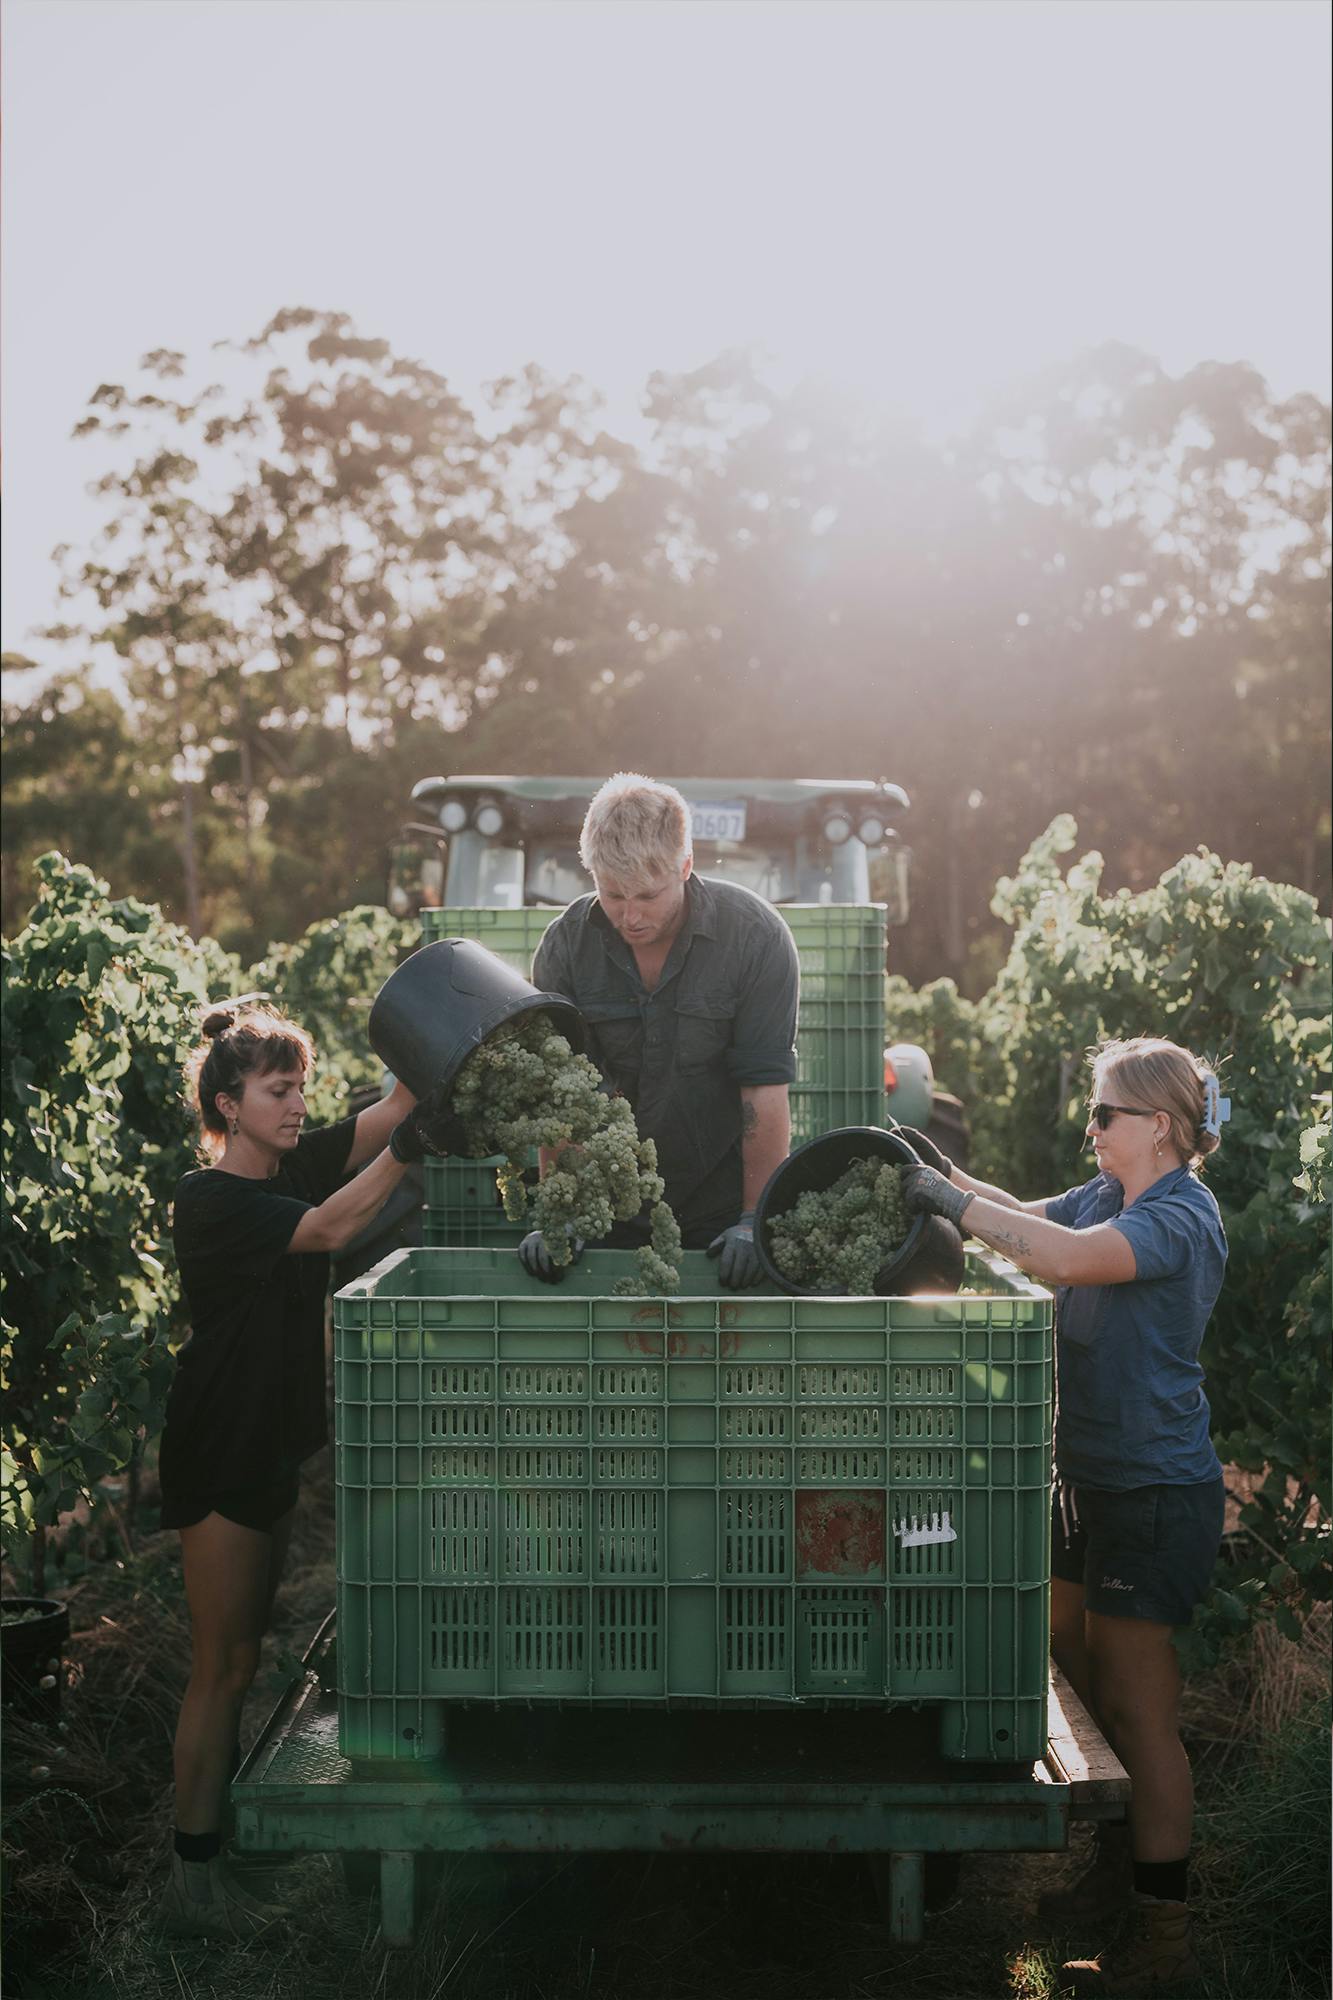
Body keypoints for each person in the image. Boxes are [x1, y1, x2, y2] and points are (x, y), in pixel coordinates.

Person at [902, 1037, 1229, 1995]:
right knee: (1077, 1665)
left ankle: (1163, 1927)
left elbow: (1062, 1261)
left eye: (1103, 1116)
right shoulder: (1109, 1195)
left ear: (1158, 1127)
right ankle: (1114, 1871)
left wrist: (949, 1205)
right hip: (1089, 1476)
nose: (1088, 1128)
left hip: (1153, 1490)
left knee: (1137, 1703)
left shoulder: (1178, 1217)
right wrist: (934, 1168)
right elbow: (1021, 1218)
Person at [158, 1002, 458, 1939]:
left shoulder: (290, 1162)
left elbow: (394, 1106)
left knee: (247, 1658)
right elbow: (333, 1227)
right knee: (222, 1666)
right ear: (226, 1103)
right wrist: (411, 1145)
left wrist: (439, 1034)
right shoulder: (210, 1203)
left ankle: (225, 1847)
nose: (297, 1105)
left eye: (300, 1088)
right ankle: (189, 1882)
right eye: (277, 1091)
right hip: (220, 1445)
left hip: (269, 1443)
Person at [523, 773, 800, 1289]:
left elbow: (761, 1090)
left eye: (648, 896)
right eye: (612, 894)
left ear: (686, 866)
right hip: (606, 1209)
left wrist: (752, 1219)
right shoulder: (564, 948)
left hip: (719, 1207)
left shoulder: (756, 939)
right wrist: (562, 1208)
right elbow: (560, 1096)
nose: (630, 916)